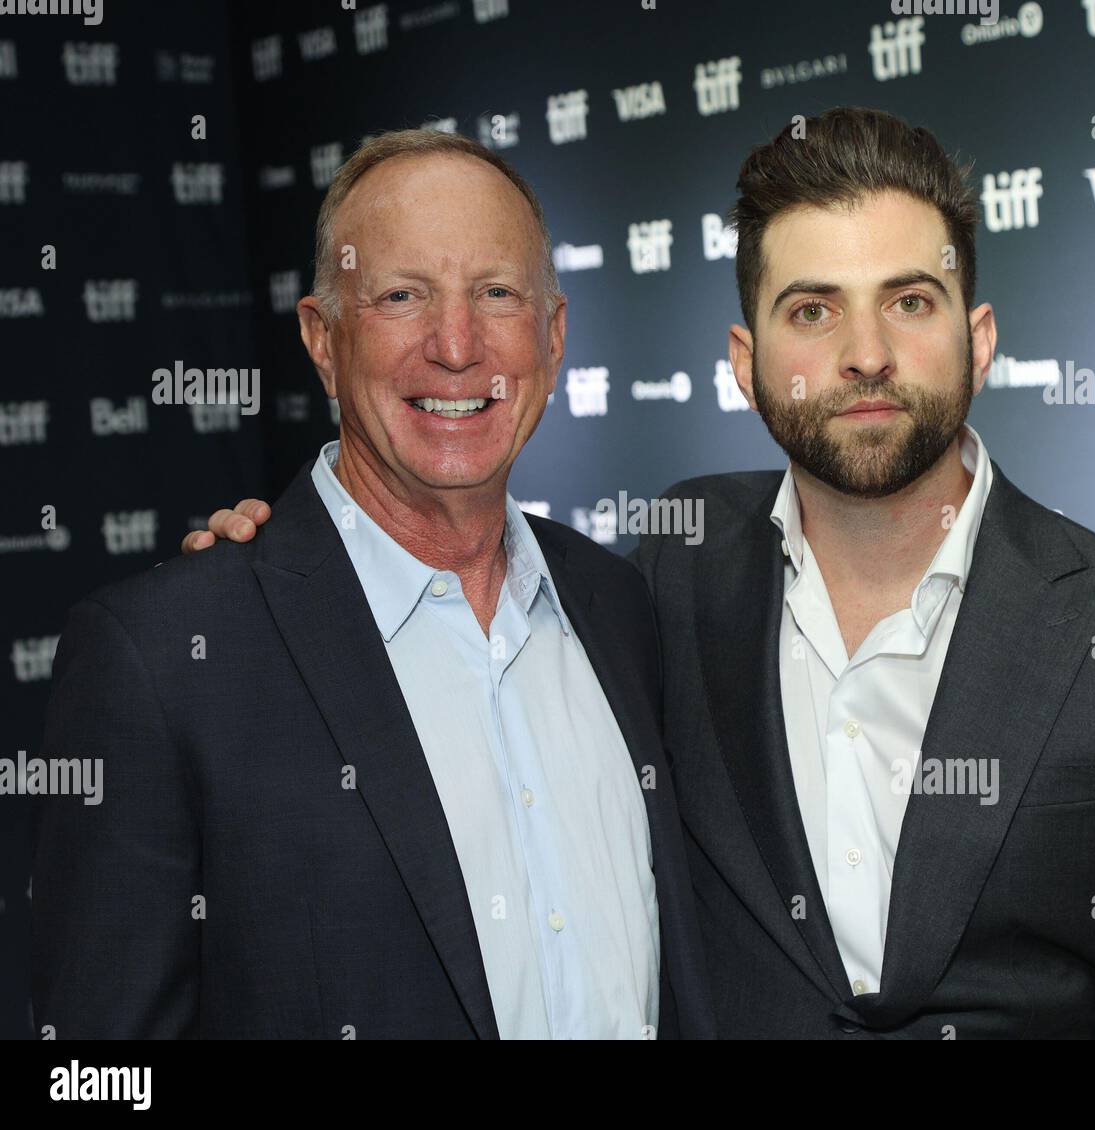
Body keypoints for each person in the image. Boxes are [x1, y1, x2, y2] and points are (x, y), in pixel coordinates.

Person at [184, 109, 1095, 1039]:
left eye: (909, 300)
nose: (865, 352)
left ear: (980, 336)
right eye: (811, 309)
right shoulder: (655, 578)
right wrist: (285, 561)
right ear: (744, 360)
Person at [31, 129, 714, 1040]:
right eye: (402, 296)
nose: (457, 345)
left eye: (497, 294)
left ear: (552, 339)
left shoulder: (620, 606)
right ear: (322, 337)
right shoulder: (168, 659)